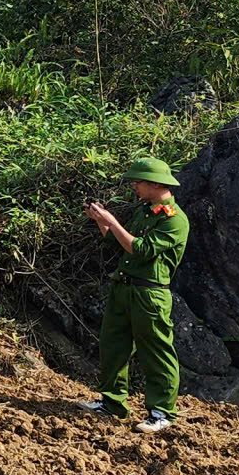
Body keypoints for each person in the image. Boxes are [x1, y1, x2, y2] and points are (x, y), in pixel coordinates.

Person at [80, 157, 193, 433]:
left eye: (138, 181)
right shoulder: (145, 211)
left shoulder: (175, 220)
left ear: (156, 183)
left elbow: (140, 249)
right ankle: (112, 402)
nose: (134, 186)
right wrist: (101, 222)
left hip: (149, 294)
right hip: (124, 287)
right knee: (113, 345)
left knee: (156, 352)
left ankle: (162, 412)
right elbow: (121, 243)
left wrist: (112, 220)